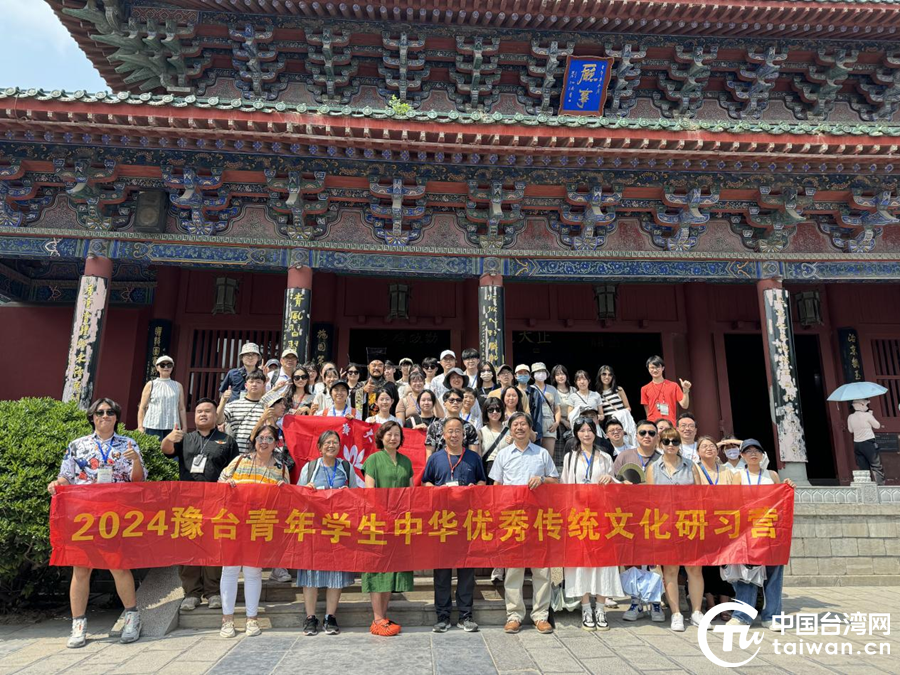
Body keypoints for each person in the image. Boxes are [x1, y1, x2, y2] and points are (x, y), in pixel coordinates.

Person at [47, 398, 147, 648]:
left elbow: (139, 481)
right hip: (84, 514)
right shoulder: (77, 445)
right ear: (92, 417)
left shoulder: (128, 444)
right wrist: (57, 484)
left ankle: (132, 618)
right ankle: (78, 624)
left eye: (110, 412)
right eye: (100, 412)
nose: (105, 416)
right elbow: (66, 476)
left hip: (116, 512)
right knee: (81, 568)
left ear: (116, 417)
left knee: (118, 565)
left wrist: (135, 460)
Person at [161, 398, 239, 612]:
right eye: (199, 412)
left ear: (216, 416)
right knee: (188, 545)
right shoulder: (184, 438)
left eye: (207, 411)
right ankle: (191, 593)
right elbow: (166, 451)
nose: (203, 414)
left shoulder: (227, 441)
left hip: (216, 502)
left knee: (213, 546)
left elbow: (234, 468)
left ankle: (213, 592)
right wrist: (168, 438)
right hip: (187, 503)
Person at [489, 412, 559, 634]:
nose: (519, 428)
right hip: (513, 519)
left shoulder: (541, 453)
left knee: (541, 570)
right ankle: (514, 615)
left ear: (530, 429)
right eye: (515, 425)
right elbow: (496, 486)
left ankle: (540, 616)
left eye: (523, 424)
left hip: (538, 518)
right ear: (510, 430)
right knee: (514, 569)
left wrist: (542, 479)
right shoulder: (503, 454)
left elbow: (555, 480)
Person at [217, 424, 289, 638]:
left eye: (269, 438)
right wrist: (227, 483)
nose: (264, 442)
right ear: (254, 440)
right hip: (234, 523)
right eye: (260, 438)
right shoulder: (239, 461)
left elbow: (287, 500)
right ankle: (227, 620)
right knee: (229, 569)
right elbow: (219, 483)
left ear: (276, 444)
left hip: (260, 525)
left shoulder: (281, 469)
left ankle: (252, 619)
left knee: (253, 571)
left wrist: (282, 490)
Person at [422, 418, 486, 633]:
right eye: (450, 431)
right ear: (443, 435)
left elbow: (483, 481)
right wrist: (435, 490)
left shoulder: (473, 458)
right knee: (442, 571)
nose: (454, 435)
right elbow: (425, 482)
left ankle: (466, 615)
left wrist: (475, 487)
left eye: (458, 431)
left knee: (467, 570)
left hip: (467, 521)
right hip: (442, 522)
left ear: (463, 434)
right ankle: (442, 616)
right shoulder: (436, 458)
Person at [561, 417, 624, 631]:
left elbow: (615, 484)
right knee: (582, 562)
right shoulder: (570, 457)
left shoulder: (605, 457)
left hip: (601, 515)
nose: (586, 434)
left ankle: (601, 608)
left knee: (603, 561)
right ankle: (586, 607)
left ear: (595, 433)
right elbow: (565, 486)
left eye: (589, 430)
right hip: (579, 516)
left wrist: (609, 479)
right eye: (582, 430)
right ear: (576, 434)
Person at [727, 439, 796, 630]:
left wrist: (788, 486)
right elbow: (733, 502)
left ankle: (772, 616)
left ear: (762, 454)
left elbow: (781, 501)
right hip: (747, 532)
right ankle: (742, 616)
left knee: (774, 575)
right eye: (748, 451)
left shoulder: (771, 475)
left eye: (757, 450)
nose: (753, 454)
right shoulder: (738, 476)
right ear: (742, 456)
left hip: (770, 531)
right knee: (747, 574)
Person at [297, 430, 356, 635]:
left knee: (336, 573)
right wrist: (307, 489)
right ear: (320, 447)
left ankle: (330, 616)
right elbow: (297, 495)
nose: (331, 446)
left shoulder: (346, 468)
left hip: (338, 529)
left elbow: (358, 496)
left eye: (335, 442)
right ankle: (310, 617)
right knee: (310, 573)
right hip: (314, 528)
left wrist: (348, 493)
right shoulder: (310, 467)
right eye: (327, 443)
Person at [645, 428, 703, 632]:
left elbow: (700, 495)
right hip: (666, 524)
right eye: (667, 441)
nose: (671, 445)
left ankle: (696, 611)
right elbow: (650, 499)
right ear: (660, 444)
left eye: (675, 441)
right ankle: (676, 613)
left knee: (694, 569)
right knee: (670, 569)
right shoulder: (653, 468)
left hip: (689, 522)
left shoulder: (691, 466)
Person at [362, 421, 415, 636]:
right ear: (381, 437)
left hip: (399, 524)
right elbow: (370, 492)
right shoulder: (373, 460)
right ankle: (377, 619)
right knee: (378, 570)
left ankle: (382, 617)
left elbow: (411, 492)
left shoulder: (406, 461)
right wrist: (384, 515)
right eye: (389, 434)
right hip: (379, 523)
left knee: (391, 571)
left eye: (397, 435)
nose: (393, 438)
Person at [695, 436, 734, 619]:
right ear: (698, 452)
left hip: (725, 523)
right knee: (707, 565)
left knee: (726, 564)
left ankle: (725, 604)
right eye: (704, 446)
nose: (709, 449)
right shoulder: (694, 470)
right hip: (703, 522)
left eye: (712, 446)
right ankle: (710, 602)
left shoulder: (727, 471)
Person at [136, 355, 186, 439]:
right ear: (157, 368)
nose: (166, 367)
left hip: (172, 426)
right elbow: (142, 407)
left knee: (171, 447)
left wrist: (184, 427)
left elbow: (181, 408)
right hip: (152, 425)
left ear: (172, 367)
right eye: (162, 365)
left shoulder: (178, 386)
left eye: (169, 365)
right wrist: (140, 426)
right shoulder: (151, 384)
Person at [218, 370, 267, 454]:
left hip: (260, 454)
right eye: (251, 382)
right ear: (246, 385)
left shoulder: (268, 407)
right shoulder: (233, 405)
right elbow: (218, 420)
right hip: (236, 454)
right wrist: (223, 401)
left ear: (264, 386)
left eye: (258, 382)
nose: (254, 384)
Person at [425, 389, 479, 457]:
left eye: (459, 400)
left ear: (462, 403)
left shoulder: (469, 427)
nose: (455, 402)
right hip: (440, 462)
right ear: (444, 404)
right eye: (451, 400)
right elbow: (429, 454)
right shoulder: (435, 426)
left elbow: (474, 455)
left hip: (463, 462)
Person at [640, 356, 691, 422]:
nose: (655, 370)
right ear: (648, 369)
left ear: (663, 368)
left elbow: (685, 405)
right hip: (654, 424)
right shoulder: (644, 389)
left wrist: (685, 391)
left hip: (670, 423)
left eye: (657, 367)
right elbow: (647, 412)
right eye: (652, 367)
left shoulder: (673, 386)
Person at [596, 365, 636, 447]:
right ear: (599, 376)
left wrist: (619, 414)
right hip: (609, 424)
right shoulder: (597, 394)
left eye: (610, 374)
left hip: (622, 422)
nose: (607, 377)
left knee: (628, 444)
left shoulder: (618, 389)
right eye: (604, 374)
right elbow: (601, 414)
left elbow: (628, 407)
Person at [847, 398, 884, 485]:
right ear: (861, 405)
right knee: (876, 466)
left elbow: (850, 430)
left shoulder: (850, 417)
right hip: (868, 442)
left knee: (863, 468)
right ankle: (880, 486)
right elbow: (877, 426)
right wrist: (870, 416)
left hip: (857, 444)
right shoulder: (867, 415)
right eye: (866, 404)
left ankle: (866, 486)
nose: (867, 406)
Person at [531, 362, 560, 458]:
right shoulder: (530, 389)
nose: (541, 373)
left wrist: (557, 423)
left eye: (543, 371)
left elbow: (557, 408)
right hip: (535, 424)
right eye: (538, 371)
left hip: (549, 424)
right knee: (535, 456)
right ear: (533, 375)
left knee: (548, 457)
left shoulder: (552, 389)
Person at [479, 398, 508, 478]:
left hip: (507, 468)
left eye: (498, 410)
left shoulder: (510, 431)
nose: (495, 412)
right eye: (491, 410)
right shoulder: (481, 432)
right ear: (486, 412)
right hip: (489, 468)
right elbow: (479, 456)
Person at [552, 365, 573, 460]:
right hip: (559, 422)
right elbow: (554, 409)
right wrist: (564, 421)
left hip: (572, 423)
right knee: (559, 450)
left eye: (563, 374)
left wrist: (570, 421)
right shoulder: (553, 391)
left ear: (566, 375)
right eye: (557, 374)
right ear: (554, 377)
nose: (561, 376)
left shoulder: (573, 390)